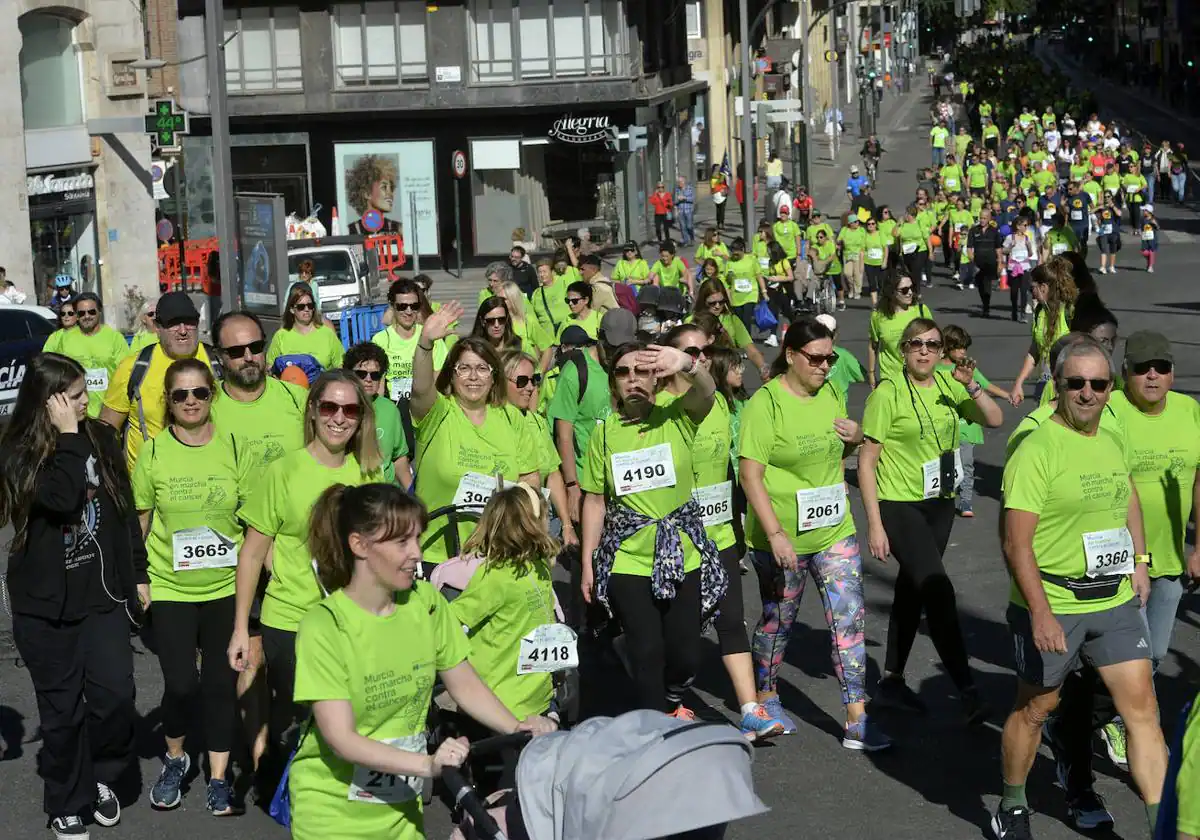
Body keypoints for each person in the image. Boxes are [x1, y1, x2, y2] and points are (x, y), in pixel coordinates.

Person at [288, 483, 554, 840]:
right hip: (332, 816)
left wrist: (519, 731)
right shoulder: (324, 625)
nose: (417, 553)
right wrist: (427, 764)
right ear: (359, 545)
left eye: (418, 538)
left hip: (401, 811)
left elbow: (464, 684)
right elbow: (340, 738)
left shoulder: (426, 604)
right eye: (402, 542)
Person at [994, 336, 1168, 840]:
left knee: (1142, 711)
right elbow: (1014, 543)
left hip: (1112, 599)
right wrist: (1041, 612)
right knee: (1036, 708)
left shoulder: (1111, 439)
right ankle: (1012, 803)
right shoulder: (1037, 448)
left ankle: (1160, 823)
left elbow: (1127, 494)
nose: (1088, 393)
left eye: (1098, 383)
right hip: (1057, 600)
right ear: (1058, 385)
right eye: (1077, 383)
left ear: (1111, 388)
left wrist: (1139, 560)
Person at [0, 354, 146, 839]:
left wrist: (138, 574)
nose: (89, 402)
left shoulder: (101, 439)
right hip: (45, 609)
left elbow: (123, 510)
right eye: (77, 395)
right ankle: (66, 801)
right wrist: (65, 437)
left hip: (101, 598)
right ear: (51, 402)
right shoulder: (17, 451)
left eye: (86, 392)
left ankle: (102, 776)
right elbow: (61, 498)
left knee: (116, 699)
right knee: (62, 714)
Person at [740, 318, 891, 751]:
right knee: (777, 621)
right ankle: (766, 697)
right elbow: (750, 475)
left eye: (831, 358)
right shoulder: (764, 404)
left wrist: (858, 437)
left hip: (833, 531)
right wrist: (775, 534)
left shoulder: (831, 393)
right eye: (816, 358)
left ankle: (857, 716)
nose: (825, 366)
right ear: (790, 355)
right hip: (780, 535)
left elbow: (840, 447)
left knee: (850, 621)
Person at [227, 372, 382, 783]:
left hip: (352, 622)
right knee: (307, 719)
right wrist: (242, 628)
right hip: (292, 620)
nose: (339, 418)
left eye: (350, 409)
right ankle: (303, 799)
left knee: (348, 718)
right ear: (313, 412)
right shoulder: (284, 471)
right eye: (329, 407)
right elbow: (252, 553)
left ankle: (334, 801)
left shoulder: (370, 472)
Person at [859, 318, 1002, 722]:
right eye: (916, 344)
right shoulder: (886, 394)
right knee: (938, 590)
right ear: (903, 350)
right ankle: (967, 688)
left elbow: (993, 420)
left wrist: (971, 384)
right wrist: (874, 524)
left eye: (933, 345)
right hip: (899, 504)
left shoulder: (947, 384)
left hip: (940, 502)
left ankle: (891, 681)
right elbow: (866, 462)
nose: (924, 351)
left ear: (942, 351)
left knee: (912, 588)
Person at [579, 340, 725, 719]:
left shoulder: (677, 416)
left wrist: (686, 364)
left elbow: (707, 392)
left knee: (685, 654)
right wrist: (587, 563)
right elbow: (594, 500)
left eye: (641, 371)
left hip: (680, 552)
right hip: (628, 558)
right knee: (647, 653)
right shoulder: (605, 433)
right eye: (623, 373)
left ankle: (672, 696)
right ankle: (655, 731)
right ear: (613, 383)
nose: (632, 380)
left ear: (656, 378)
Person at [133, 359, 246, 815]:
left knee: (221, 685)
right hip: (171, 589)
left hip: (225, 588)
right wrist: (137, 577)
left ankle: (218, 778)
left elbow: (254, 525)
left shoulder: (235, 447)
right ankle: (176, 759)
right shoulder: (154, 451)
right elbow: (139, 520)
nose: (191, 402)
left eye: (199, 392)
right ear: (169, 401)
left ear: (211, 394)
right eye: (180, 395)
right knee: (181, 686)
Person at [661, 325, 785, 740]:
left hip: (721, 532)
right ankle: (670, 699)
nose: (699, 356)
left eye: (704, 350)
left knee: (731, 620)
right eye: (690, 351)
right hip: (677, 540)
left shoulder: (721, 403)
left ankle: (750, 709)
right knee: (682, 631)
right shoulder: (663, 405)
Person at [408, 302, 540, 566]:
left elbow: (530, 480)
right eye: (464, 368)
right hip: (441, 558)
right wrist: (425, 343)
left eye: (482, 369)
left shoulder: (511, 417)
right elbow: (421, 388)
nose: (473, 377)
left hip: (501, 554)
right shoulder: (438, 413)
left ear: (494, 377)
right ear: (452, 375)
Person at [449, 483, 562, 727]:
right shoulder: (494, 576)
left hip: (537, 694)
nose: (549, 521)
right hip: (502, 702)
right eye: (545, 515)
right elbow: (451, 621)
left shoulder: (539, 565)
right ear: (529, 523)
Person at [101, 291, 214, 473]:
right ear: (157, 328)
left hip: (208, 478)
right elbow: (105, 431)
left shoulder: (217, 363)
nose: (183, 330)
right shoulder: (134, 368)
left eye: (190, 322)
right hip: (148, 487)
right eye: (173, 324)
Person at [501, 350, 574, 542]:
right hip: (508, 521)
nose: (530, 387)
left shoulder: (538, 422)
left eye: (534, 380)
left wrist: (567, 525)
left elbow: (552, 474)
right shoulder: (494, 421)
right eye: (522, 381)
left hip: (541, 518)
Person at [546, 326, 614, 528]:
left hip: (619, 480)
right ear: (600, 338)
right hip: (587, 483)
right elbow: (563, 436)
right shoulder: (575, 371)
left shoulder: (627, 365)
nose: (614, 352)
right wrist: (572, 486)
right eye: (610, 346)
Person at [939, 325, 1009, 518]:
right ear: (946, 347)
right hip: (943, 428)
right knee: (946, 464)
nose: (963, 352)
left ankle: (966, 501)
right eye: (959, 347)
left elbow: (985, 385)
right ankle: (945, 497)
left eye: (965, 348)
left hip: (967, 427)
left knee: (967, 464)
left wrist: (1008, 395)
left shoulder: (966, 369)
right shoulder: (934, 370)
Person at [41, 293, 131, 418]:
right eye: (81, 313)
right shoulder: (66, 339)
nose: (87, 316)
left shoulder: (115, 338)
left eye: (91, 312)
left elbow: (126, 374)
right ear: (77, 315)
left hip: (108, 413)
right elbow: (54, 372)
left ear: (99, 312)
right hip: (76, 414)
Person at [1009, 260, 1078, 407]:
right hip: (1045, 385)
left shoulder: (1070, 312)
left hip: (1069, 390)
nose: (1031, 294)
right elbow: (1035, 350)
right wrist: (1018, 383)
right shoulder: (1040, 311)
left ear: (1044, 287)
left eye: (1032, 288)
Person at [371, 279, 450, 405]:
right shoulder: (380, 339)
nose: (408, 312)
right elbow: (378, 384)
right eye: (402, 306)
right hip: (395, 405)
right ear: (392, 306)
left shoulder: (430, 336)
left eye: (414, 306)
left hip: (426, 405)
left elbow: (439, 377)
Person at [344, 342, 412, 487]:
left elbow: (399, 457)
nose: (368, 379)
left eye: (375, 375)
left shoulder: (389, 409)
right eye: (361, 374)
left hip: (387, 494)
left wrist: (412, 496)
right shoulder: (339, 409)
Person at [867, 273, 934, 389]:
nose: (910, 293)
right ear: (891, 292)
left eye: (911, 288)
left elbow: (935, 342)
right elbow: (873, 345)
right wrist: (871, 374)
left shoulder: (921, 311)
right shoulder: (878, 316)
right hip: (890, 378)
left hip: (920, 377)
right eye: (904, 290)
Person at [267, 282, 344, 372]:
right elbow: (269, 368)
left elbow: (341, 366)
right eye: (301, 307)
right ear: (292, 309)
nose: (306, 309)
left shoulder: (327, 334)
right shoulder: (281, 336)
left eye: (310, 306)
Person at [724, 237, 769, 337]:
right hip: (736, 296)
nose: (734, 255)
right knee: (739, 320)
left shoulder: (751, 259)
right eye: (733, 253)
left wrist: (764, 291)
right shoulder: (729, 262)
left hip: (750, 294)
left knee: (746, 318)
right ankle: (741, 338)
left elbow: (758, 275)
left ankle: (748, 341)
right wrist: (729, 278)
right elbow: (726, 281)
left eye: (737, 253)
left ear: (743, 250)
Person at [965, 207, 1004, 318]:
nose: (982, 220)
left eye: (984, 218)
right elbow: (969, 247)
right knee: (980, 284)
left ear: (989, 219)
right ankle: (985, 303)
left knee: (986, 283)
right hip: (978, 262)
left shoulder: (994, 231)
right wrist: (972, 260)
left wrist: (1000, 262)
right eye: (980, 218)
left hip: (990, 262)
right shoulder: (973, 231)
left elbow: (998, 248)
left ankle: (986, 307)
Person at [531, 258, 573, 339]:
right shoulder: (536, 293)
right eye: (539, 272)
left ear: (552, 271)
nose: (542, 275)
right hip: (548, 337)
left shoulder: (564, 282)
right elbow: (533, 316)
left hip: (567, 332)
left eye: (544, 271)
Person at [674, 175, 696, 246]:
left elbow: (692, 199)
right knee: (683, 227)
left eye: (680, 181)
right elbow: (674, 201)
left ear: (684, 181)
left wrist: (684, 198)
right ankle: (686, 241)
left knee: (689, 226)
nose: (679, 183)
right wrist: (676, 207)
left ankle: (692, 238)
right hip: (680, 211)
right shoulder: (677, 190)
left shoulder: (690, 188)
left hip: (688, 211)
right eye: (678, 182)